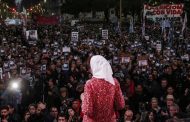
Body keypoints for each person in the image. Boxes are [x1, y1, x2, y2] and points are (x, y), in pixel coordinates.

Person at [82, 55, 125, 122]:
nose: (89, 70)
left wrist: (83, 98)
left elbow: (87, 110)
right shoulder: (114, 82)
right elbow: (120, 105)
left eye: (90, 67)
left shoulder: (90, 84)